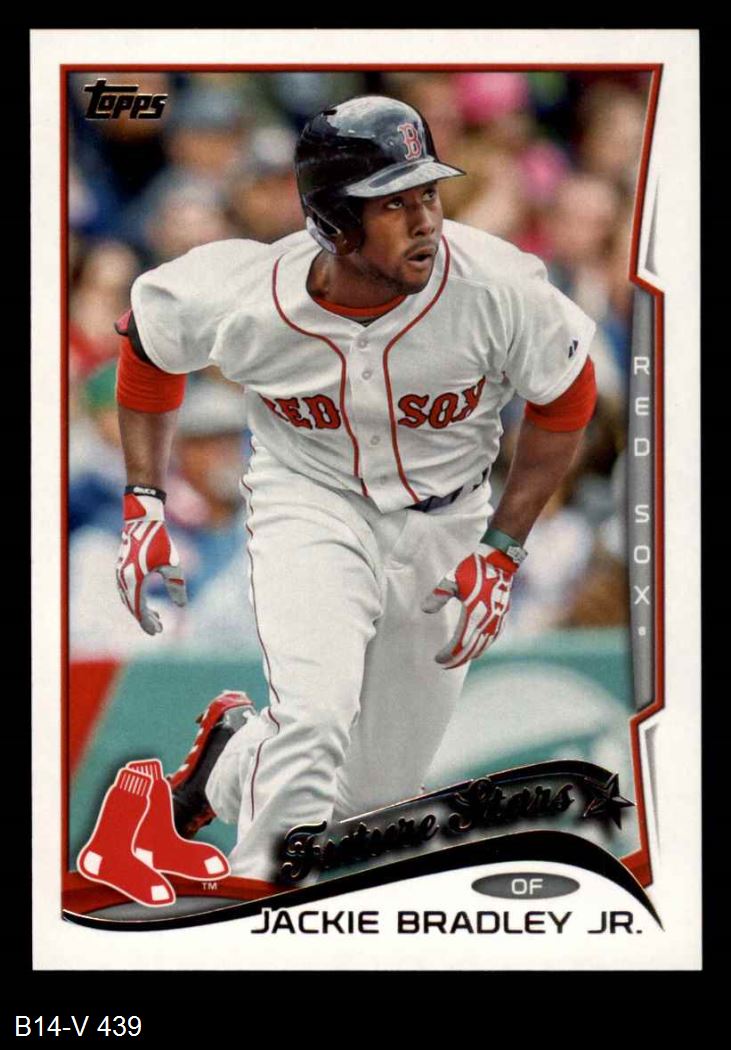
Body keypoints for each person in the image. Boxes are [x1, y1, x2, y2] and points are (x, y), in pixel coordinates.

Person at [113, 96, 597, 893]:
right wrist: (144, 501)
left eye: (428, 194)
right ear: (334, 222)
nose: (425, 220)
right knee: (313, 717)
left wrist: (503, 547)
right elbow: (147, 344)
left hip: (448, 518)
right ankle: (261, 900)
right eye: (394, 203)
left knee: (374, 789)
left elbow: (567, 396)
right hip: (311, 501)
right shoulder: (247, 294)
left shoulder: (494, 286)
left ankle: (229, 760)